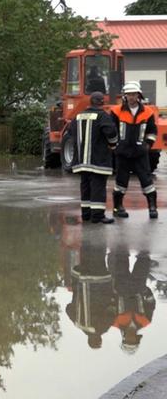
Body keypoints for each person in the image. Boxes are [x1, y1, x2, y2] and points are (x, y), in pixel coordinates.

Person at [67, 91, 118, 223]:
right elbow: (111, 133)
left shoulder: (78, 116)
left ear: (90, 102)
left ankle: (86, 214)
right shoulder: (103, 116)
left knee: (85, 187)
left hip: (81, 161)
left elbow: (71, 132)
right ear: (102, 102)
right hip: (98, 160)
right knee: (98, 187)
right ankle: (98, 216)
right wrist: (113, 145)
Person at [112, 81, 158, 219]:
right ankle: (118, 207)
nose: (131, 97)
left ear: (138, 95)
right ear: (125, 96)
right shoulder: (116, 111)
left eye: (133, 94)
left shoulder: (148, 112)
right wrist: (115, 146)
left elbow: (152, 131)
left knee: (147, 181)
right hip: (122, 153)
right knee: (120, 182)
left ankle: (152, 207)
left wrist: (147, 145)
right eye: (129, 94)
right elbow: (111, 130)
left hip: (140, 153)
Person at [110, 242, 155, 354]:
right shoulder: (145, 321)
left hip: (121, 287)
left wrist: (112, 291)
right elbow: (150, 304)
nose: (130, 338)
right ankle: (145, 238)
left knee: (121, 256)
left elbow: (109, 304)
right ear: (136, 339)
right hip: (138, 287)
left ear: (124, 338)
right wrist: (146, 292)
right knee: (144, 259)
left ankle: (121, 238)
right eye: (132, 341)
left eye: (128, 341)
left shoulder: (115, 322)